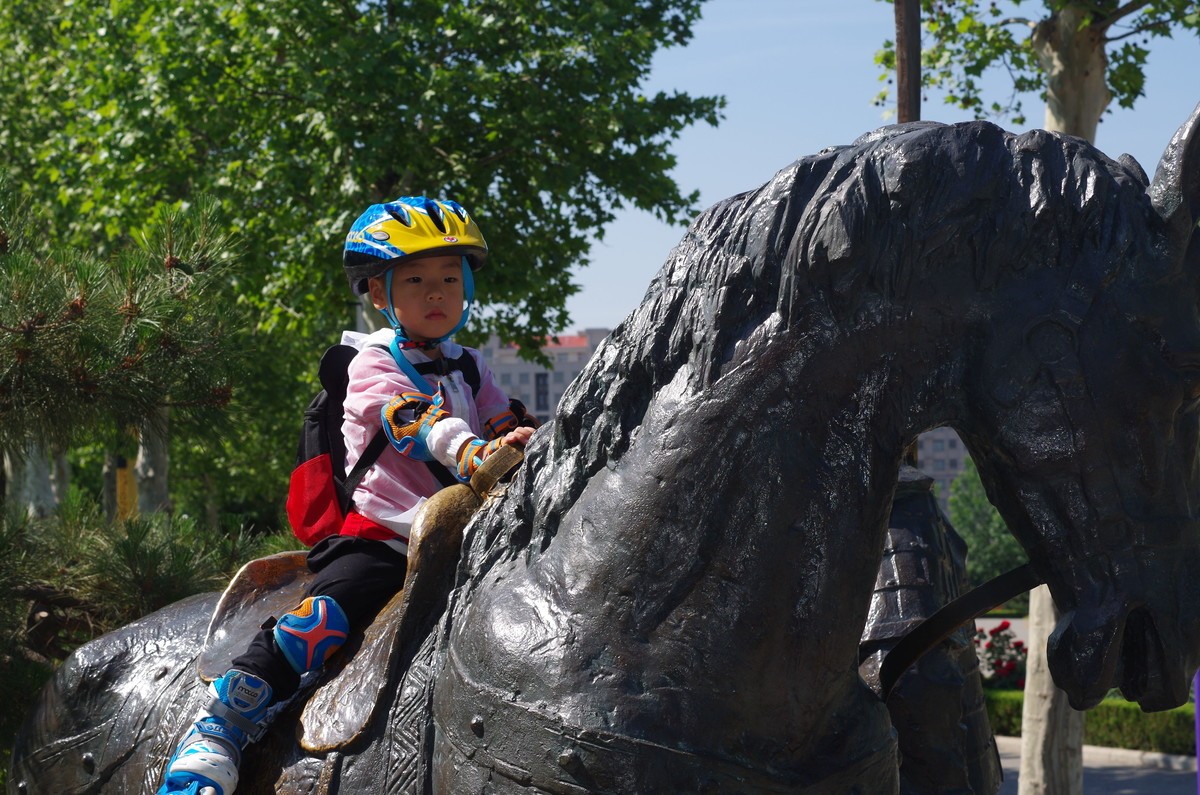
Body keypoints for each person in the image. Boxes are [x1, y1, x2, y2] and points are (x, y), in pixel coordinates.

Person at [157, 196, 536, 795]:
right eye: (415, 280)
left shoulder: (471, 365)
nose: (436, 293)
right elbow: (411, 422)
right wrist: (470, 454)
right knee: (325, 619)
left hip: (472, 531)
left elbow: (497, 418)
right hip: (388, 535)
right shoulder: (368, 363)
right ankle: (223, 724)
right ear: (380, 295)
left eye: (448, 278)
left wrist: (515, 436)